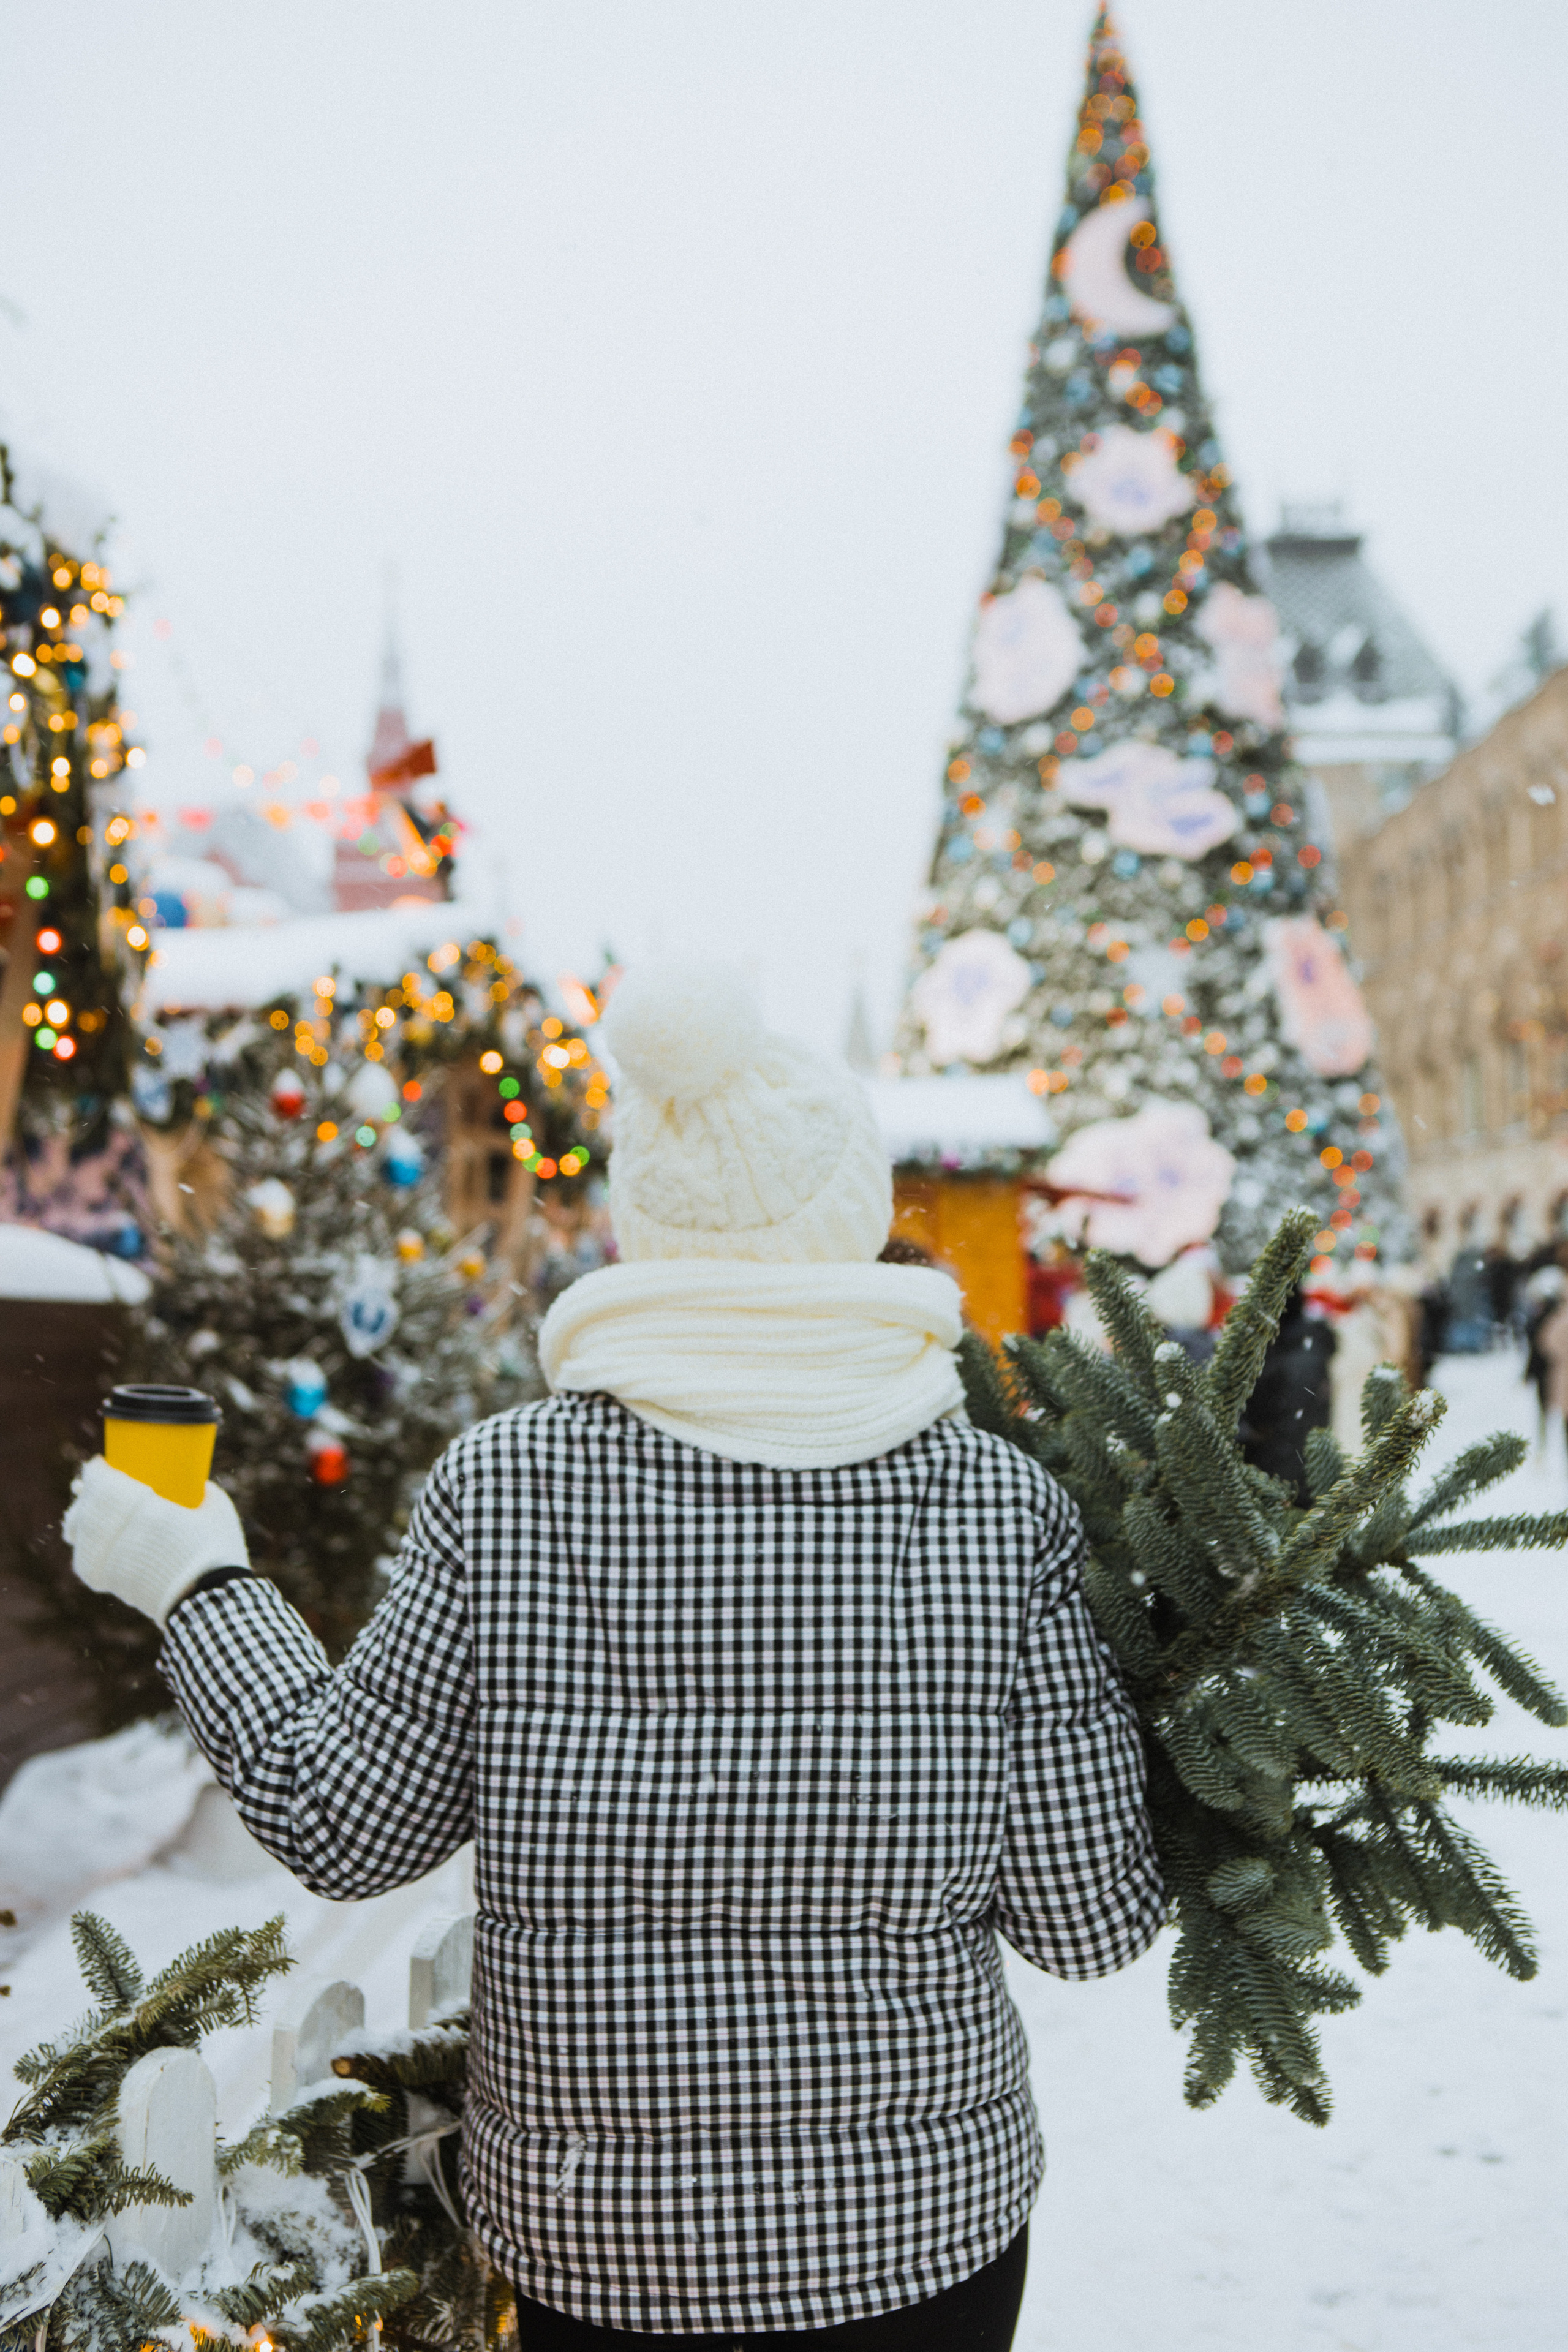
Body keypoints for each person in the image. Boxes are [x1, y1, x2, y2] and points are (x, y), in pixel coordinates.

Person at [64, 965, 1163, 2351]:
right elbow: (1087, 1921)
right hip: (918, 2235)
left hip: (606, 2246)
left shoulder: (508, 1489)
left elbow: (343, 1818)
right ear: (853, 1216)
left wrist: (196, 1580)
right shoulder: (995, 1512)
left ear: (641, 1226)